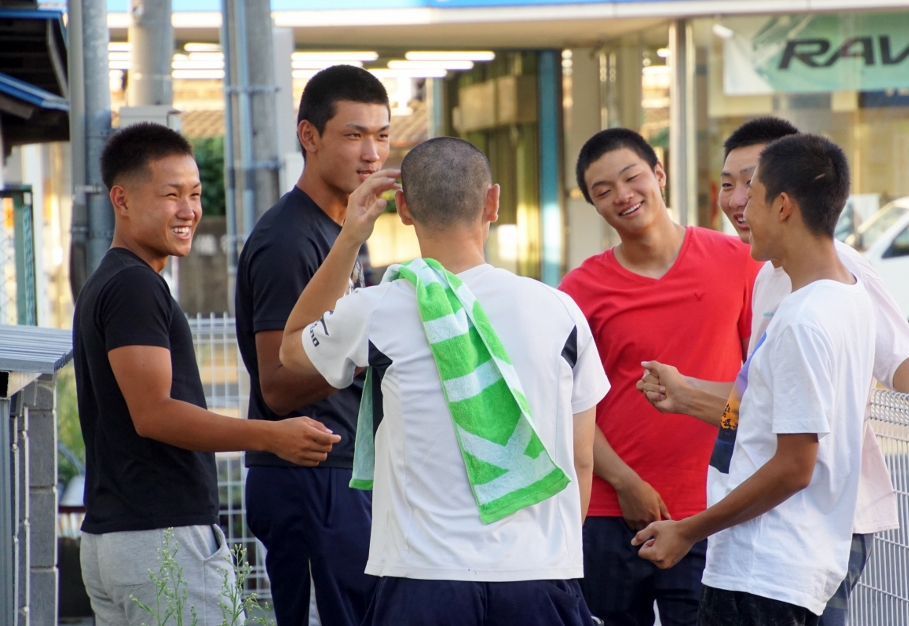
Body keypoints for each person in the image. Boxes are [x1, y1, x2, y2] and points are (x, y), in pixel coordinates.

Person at [279, 137, 610, 626]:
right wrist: (548, 553)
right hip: (539, 575)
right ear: (492, 202)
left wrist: (349, 237)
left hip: (422, 578)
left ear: (403, 209)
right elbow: (581, 460)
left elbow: (291, 348)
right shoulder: (560, 311)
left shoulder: (379, 308)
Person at [637, 116, 909, 626]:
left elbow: (796, 463)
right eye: (728, 185)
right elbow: (763, 402)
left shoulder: (822, 298)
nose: (737, 202)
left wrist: (690, 529)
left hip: (781, 553)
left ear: (783, 202)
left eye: (750, 188)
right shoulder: (788, 282)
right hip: (773, 547)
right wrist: (686, 394)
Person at [73, 123, 337, 626]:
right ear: (121, 199)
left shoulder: (114, 280)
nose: (189, 210)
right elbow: (154, 414)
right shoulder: (133, 287)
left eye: (194, 194)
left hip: (119, 540)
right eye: (171, 195)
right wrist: (272, 437)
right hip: (161, 540)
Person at [557, 128, 761, 626]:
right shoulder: (579, 290)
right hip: (608, 513)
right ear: (594, 205)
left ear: (659, 174)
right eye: (604, 191)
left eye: (632, 178)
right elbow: (566, 404)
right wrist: (625, 482)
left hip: (711, 508)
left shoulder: (739, 263)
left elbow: (757, 384)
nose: (623, 195)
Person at [233, 65, 390, 626]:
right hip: (307, 475)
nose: (372, 153)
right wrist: (369, 356)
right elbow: (277, 387)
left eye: (382, 135)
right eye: (354, 135)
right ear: (309, 136)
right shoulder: (289, 239)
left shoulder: (345, 231)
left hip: (340, 471)